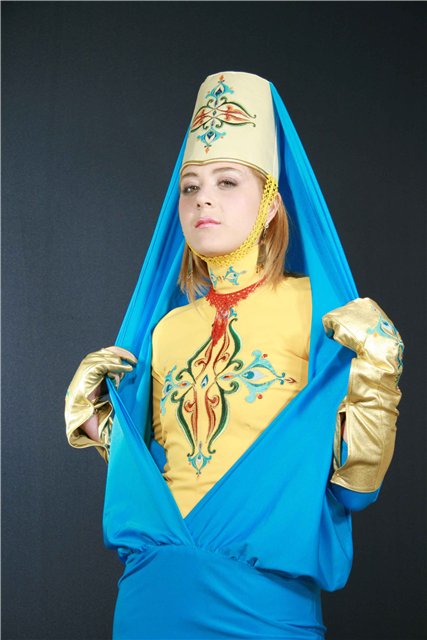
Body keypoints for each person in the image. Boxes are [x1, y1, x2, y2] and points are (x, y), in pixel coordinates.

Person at [65, 71, 404, 639]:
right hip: (150, 598)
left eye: (227, 182)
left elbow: (355, 483)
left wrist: (380, 373)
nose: (203, 199)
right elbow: (164, 466)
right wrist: (98, 422)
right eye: (190, 187)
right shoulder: (167, 330)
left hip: (261, 606)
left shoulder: (319, 313)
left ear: (271, 204)